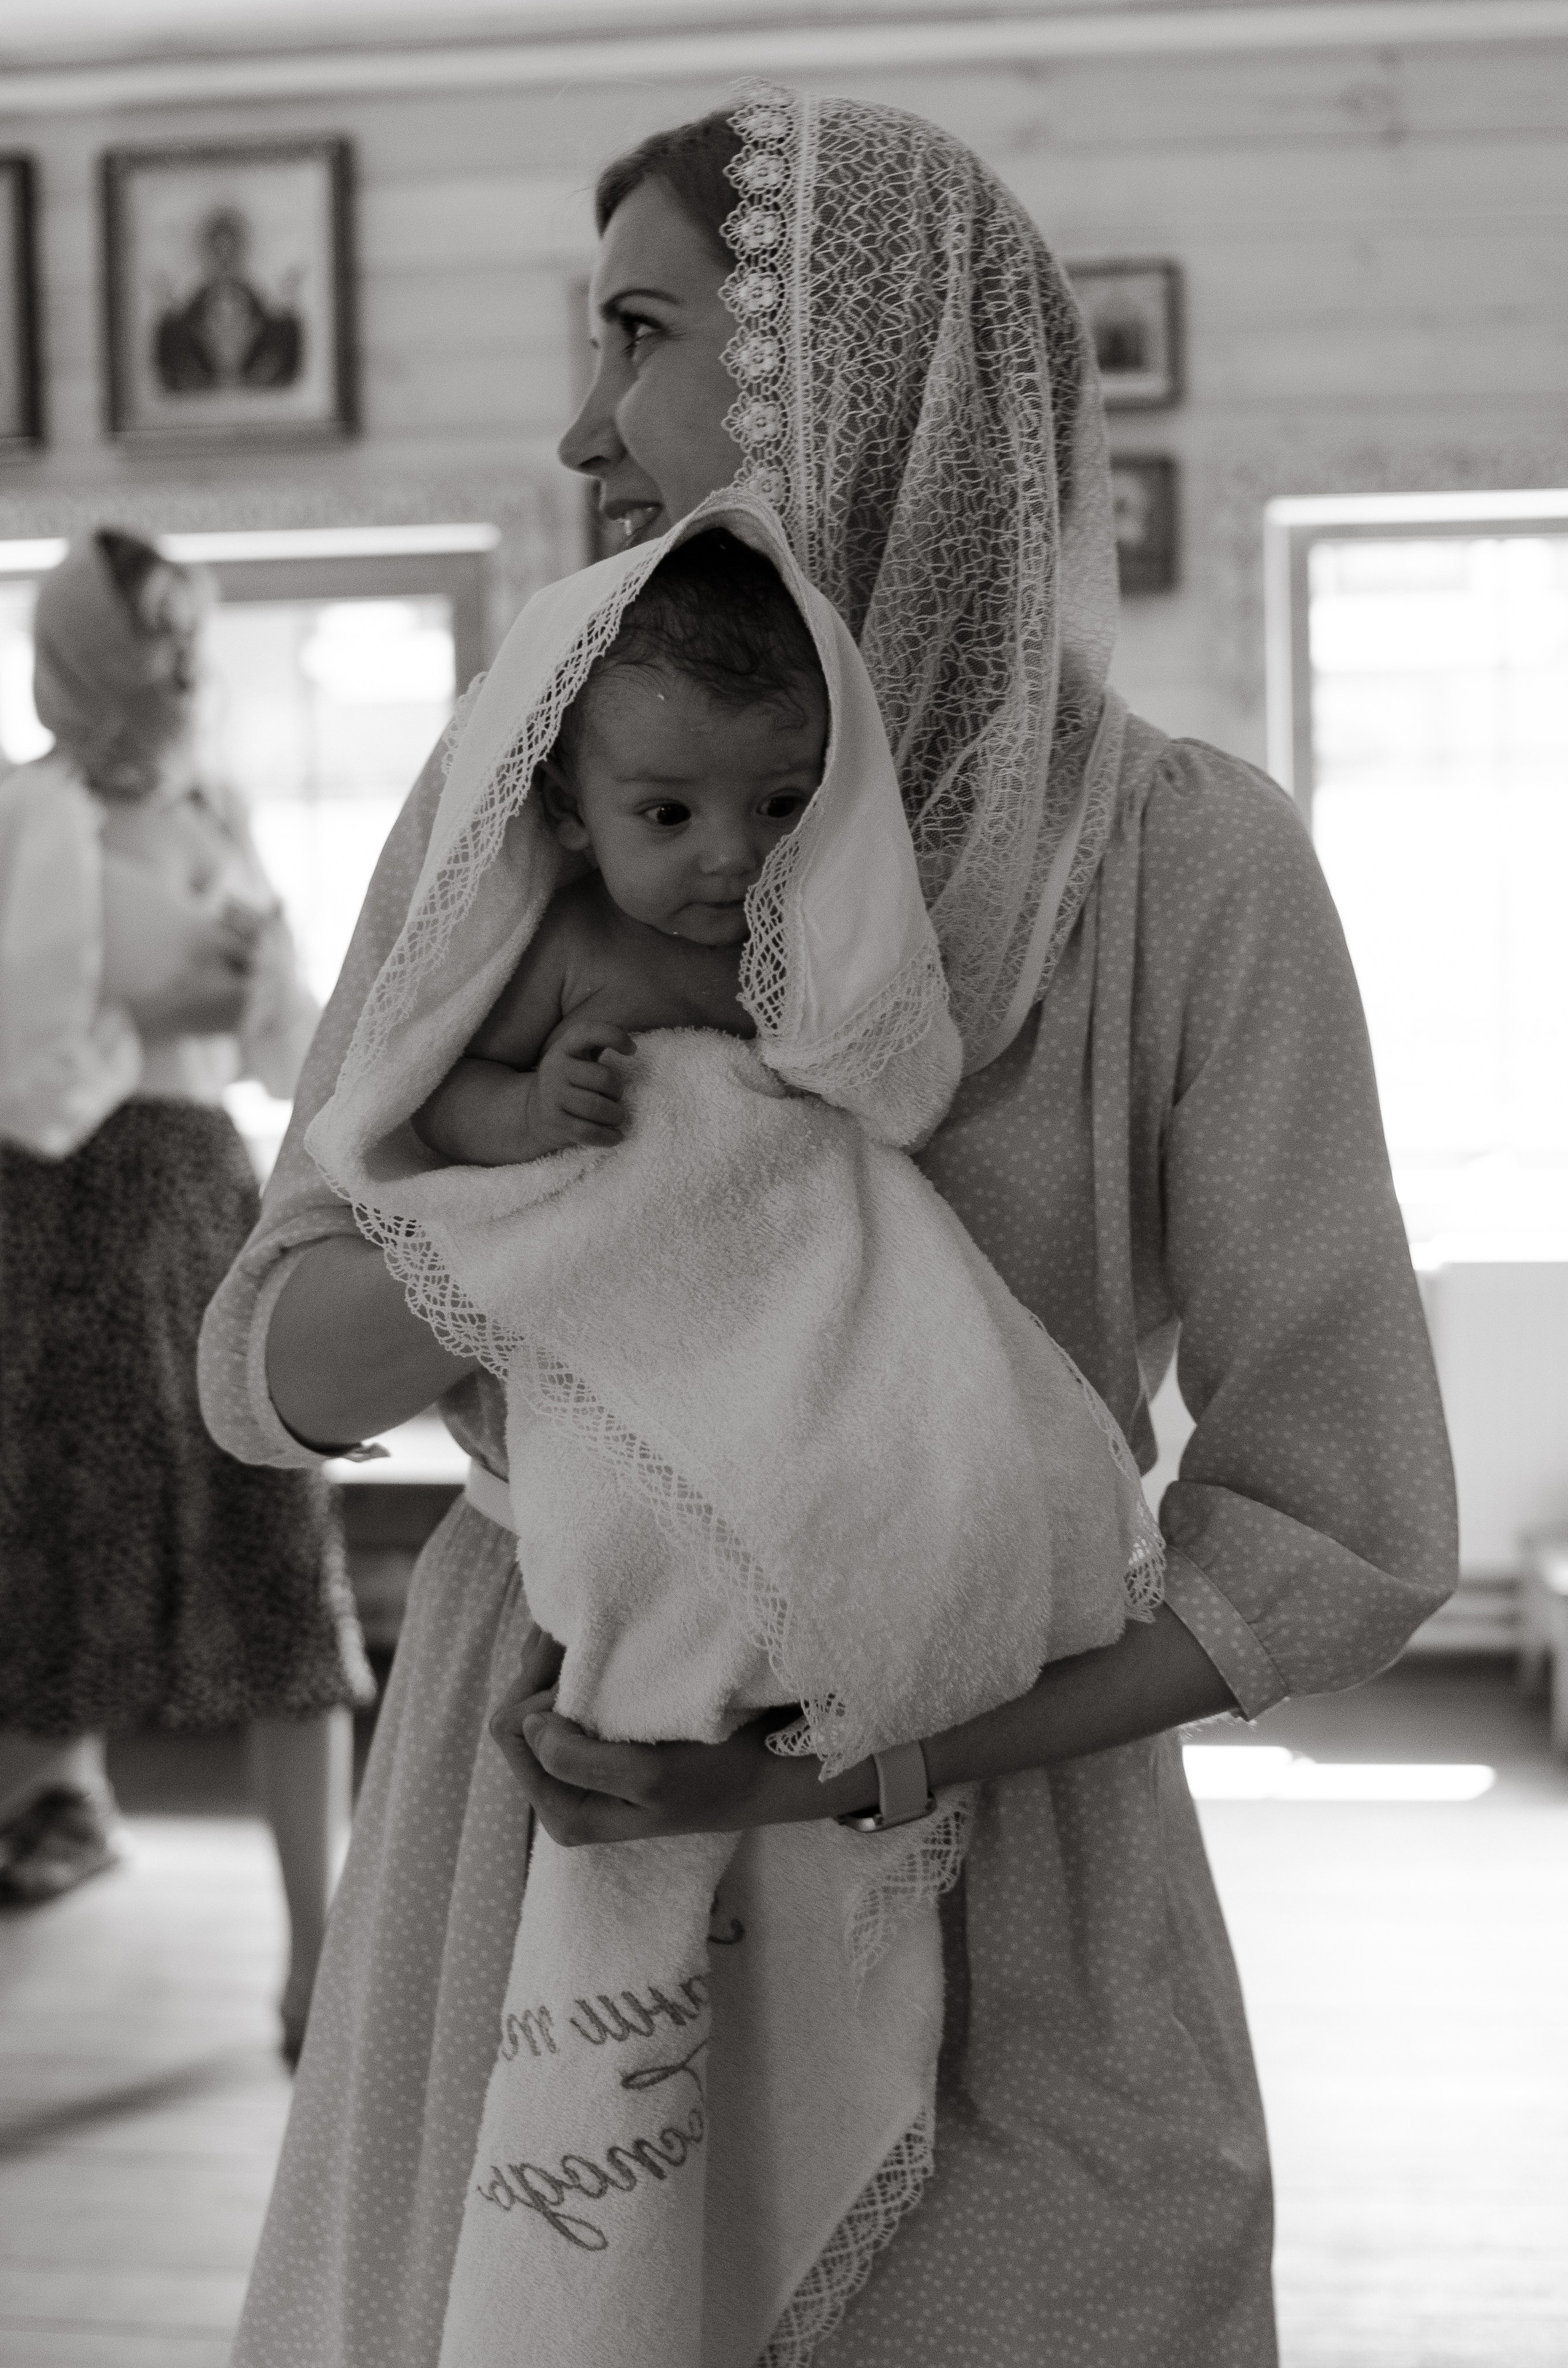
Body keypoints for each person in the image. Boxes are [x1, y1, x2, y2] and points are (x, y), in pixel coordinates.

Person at [202, 90, 1457, 2368]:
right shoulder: (520, 813)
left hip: (1016, 1856)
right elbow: (263, 1365)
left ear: (840, 375)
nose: (592, 423)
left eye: (645, 331)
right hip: (555, 1792)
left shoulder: (1189, 867)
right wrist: (568, 1196)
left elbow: (1341, 1523)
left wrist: (835, 1771)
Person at [0, 528, 371, 2064]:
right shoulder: (28, 809)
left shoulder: (216, 808)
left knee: (277, 1558)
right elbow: (21, 1050)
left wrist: (245, 990)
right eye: (154, 639)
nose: (181, 669)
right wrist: (157, 999)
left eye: (192, 640)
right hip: (59, 1218)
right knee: (58, 1567)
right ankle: (54, 1789)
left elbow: (289, 1034)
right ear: (90, 648)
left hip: (210, 1203)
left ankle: (314, 1973)